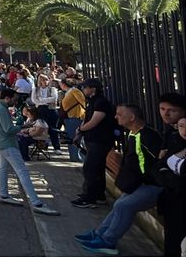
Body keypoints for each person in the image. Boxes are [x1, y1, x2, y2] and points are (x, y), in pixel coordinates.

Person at [78, 104, 164, 254]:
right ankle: (100, 234)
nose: (116, 117)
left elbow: (153, 165)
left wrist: (136, 180)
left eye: (119, 114)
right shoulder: (133, 134)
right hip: (138, 184)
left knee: (124, 206)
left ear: (131, 117)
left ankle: (108, 241)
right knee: (119, 204)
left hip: (153, 185)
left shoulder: (148, 136)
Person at [0, 88, 59, 216]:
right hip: (8, 143)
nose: (15, 102)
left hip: (0, 142)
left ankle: (4, 194)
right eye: (14, 99)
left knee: (3, 168)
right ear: (7, 98)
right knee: (23, 172)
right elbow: (8, 129)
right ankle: (36, 202)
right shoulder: (1, 109)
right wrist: (24, 126)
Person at [71, 78, 116, 209]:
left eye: (85, 87)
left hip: (100, 140)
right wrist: (79, 132)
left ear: (93, 89)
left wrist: (80, 129)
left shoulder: (101, 103)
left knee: (89, 169)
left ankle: (89, 198)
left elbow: (94, 121)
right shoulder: (92, 102)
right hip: (92, 139)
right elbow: (87, 119)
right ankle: (98, 195)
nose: (83, 90)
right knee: (97, 169)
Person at [155, 93, 186, 256]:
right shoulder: (169, 131)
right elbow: (158, 166)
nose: (165, 114)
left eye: (171, 110)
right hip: (171, 200)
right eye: (162, 109)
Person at [31, 74, 62, 154]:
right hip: (41, 110)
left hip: (51, 110)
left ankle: (57, 147)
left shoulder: (52, 89)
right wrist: (45, 100)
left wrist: (42, 100)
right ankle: (42, 146)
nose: (45, 81)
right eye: (43, 80)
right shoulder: (36, 89)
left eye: (46, 79)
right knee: (41, 127)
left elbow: (54, 98)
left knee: (53, 129)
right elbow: (34, 100)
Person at [59, 78, 86, 162]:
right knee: (72, 138)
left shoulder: (75, 91)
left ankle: (77, 158)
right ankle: (75, 157)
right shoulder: (69, 92)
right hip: (70, 118)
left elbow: (83, 102)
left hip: (76, 117)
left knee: (74, 138)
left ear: (64, 84)